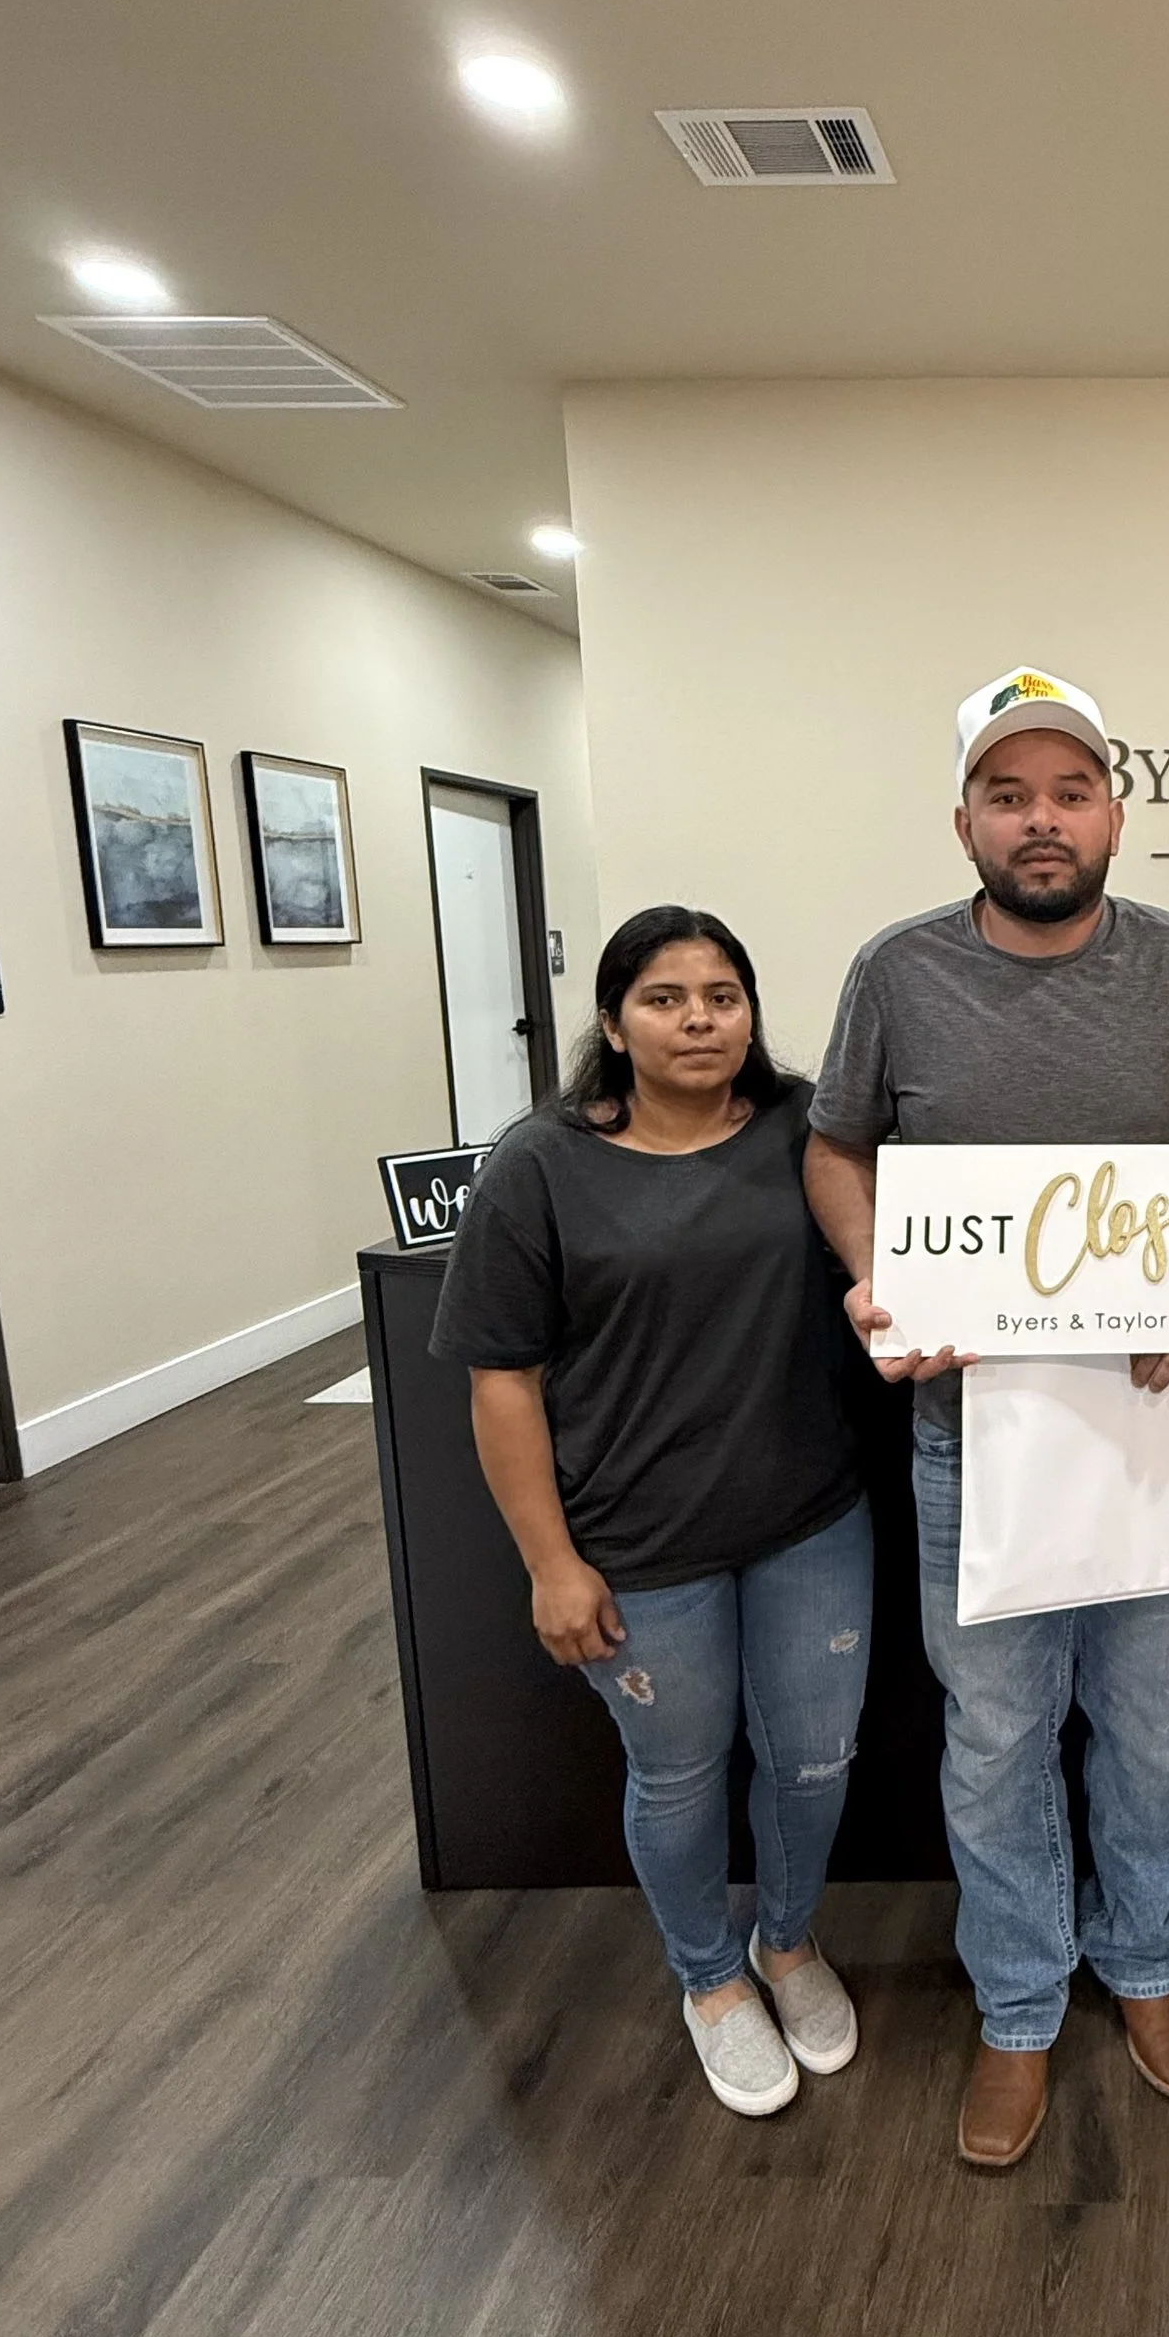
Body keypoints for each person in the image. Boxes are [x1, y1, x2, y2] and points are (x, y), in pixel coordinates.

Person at [802, 665, 1169, 2170]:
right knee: (996, 1735)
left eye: (1069, 790)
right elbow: (836, 1150)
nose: (1042, 820)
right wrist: (879, 1274)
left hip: (1165, 1428)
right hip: (972, 1423)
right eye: (1009, 795)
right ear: (966, 820)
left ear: (1116, 813)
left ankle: (1142, 1966)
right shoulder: (896, 973)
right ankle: (1018, 2004)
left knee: (1152, 1731)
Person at [433, 906, 872, 2120]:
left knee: (814, 1761)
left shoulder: (803, 1131)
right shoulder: (540, 1164)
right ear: (615, 1021)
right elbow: (500, 1381)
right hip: (635, 1546)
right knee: (677, 1776)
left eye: (722, 996)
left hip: (810, 1523)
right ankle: (711, 1979)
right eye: (667, 998)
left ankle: (787, 1945)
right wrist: (549, 1564)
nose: (699, 1020)